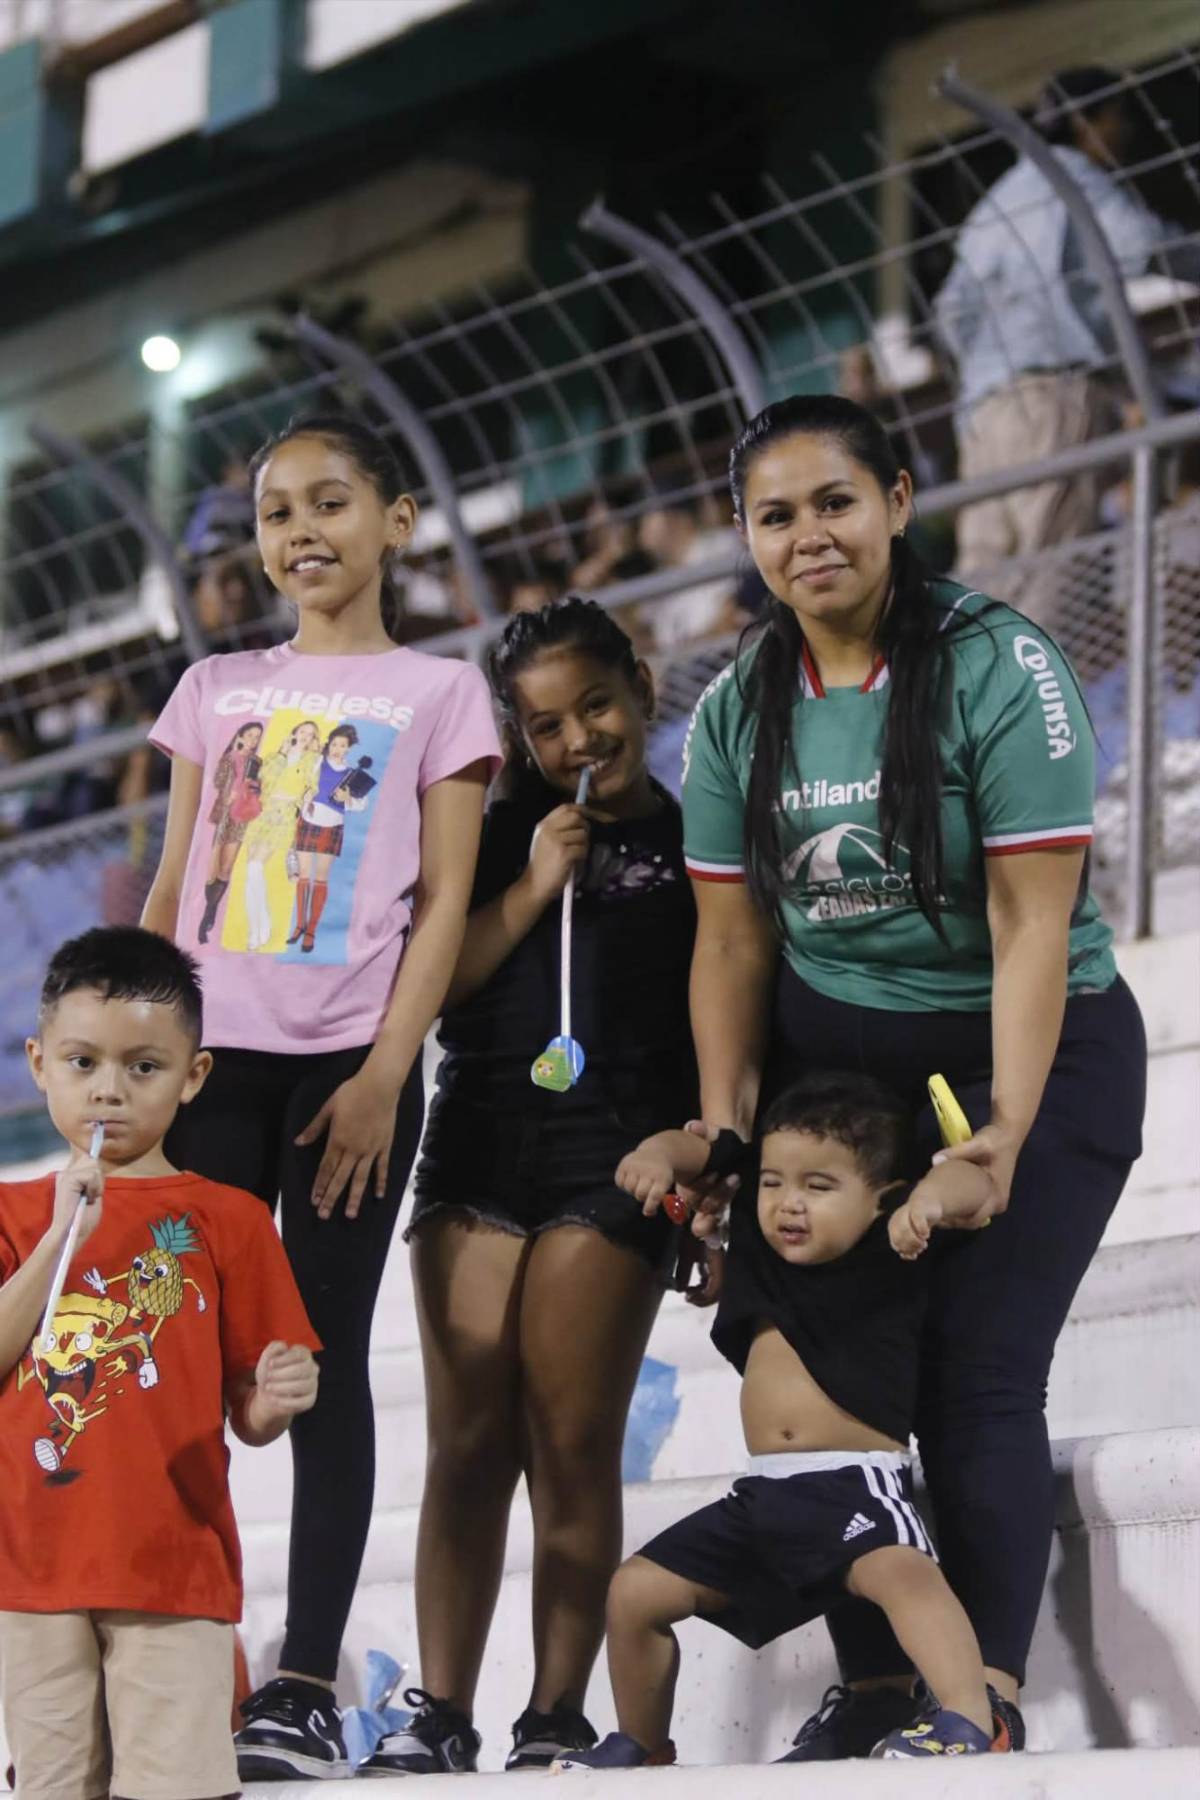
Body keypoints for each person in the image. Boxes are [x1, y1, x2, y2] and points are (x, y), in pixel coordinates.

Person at [677, 393, 1146, 1757]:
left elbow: (1029, 926)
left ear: (897, 499)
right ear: (747, 539)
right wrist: (723, 1122)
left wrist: (1001, 1130)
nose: (809, 535)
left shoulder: (1004, 666)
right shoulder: (732, 709)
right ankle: (879, 1685)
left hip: (1028, 1037)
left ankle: (981, 1701)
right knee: (832, 1388)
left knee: (978, 1378)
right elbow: (727, 937)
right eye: (776, 515)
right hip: (841, 1060)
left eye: (836, 501)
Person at [140, 413, 501, 1782]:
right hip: (215, 1069)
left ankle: (301, 1678)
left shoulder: (440, 691)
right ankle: (181, 1651)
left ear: (396, 520)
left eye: (331, 502)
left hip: (353, 1071)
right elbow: (174, 887)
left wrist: (383, 1073)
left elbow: (448, 900)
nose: (300, 532)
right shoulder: (217, 685)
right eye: (277, 510)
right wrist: (154, 1068)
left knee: (318, 1358)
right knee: (182, 1363)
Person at [362, 597, 700, 1776]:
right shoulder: (490, 828)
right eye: (549, 725)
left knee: (571, 1436)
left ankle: (555, 1713)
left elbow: (724, 1006)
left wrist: (711, 1159)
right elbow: (428, 990)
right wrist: (528, 888)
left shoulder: (694, 835)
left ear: (643, 688)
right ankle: (439, 1710)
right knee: (466, 1437)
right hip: (480, 1137)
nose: (580, 740)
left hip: (618, 1152)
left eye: (597, 706)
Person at [555, 1072, 1014, 1771]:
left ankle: (965, 1717)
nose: (788, 1204)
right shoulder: (759, 1247)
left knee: (904, 1575)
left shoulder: (892, 1243)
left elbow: (977, 1190)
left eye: (819, 1188)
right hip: (764, 1498)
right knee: (635, 1593)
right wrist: (657, 1154)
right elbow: (699, 1153)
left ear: (879, 1198)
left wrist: (928, 1199)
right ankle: (642, 1741)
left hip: (856, 1484)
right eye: (773, 1183)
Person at [0, 926, 319, 1800]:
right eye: (82, 1062)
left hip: (176, 1570)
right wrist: (64, 1231)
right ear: (38, 1063)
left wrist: (276, 1400)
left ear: (194, 1076)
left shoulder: (231, 1218)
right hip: (31, 1576)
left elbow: (251, 1415)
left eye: (144, 1066)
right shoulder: (12, 1210)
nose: (109, 1089)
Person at [935, 65, 1200, 607]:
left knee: (982, 580)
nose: (1125, 132)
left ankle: (964, 693)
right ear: (1088, 122)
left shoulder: (997, 202)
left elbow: (950, 312)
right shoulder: (1076, 182)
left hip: (984, 413)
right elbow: (1146, 245)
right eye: (1118, 117)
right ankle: (1032, 693)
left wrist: (993, 371)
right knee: (1051, 574)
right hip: (1053, 399)